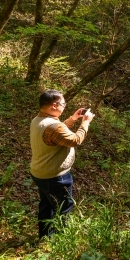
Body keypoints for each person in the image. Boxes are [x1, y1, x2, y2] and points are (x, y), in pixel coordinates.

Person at [29, 89, 94, 239]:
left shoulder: (38, 120)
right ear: (54, 105)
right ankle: (61, 240)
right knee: (65, 207)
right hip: (55, 177)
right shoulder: (53, 127)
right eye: (63, 103)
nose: (64, 106)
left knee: (46, 205)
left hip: (39, 173)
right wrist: (85, 122)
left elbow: (55, 133)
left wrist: (73, 118)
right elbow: (75, 140)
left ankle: (45, 237)